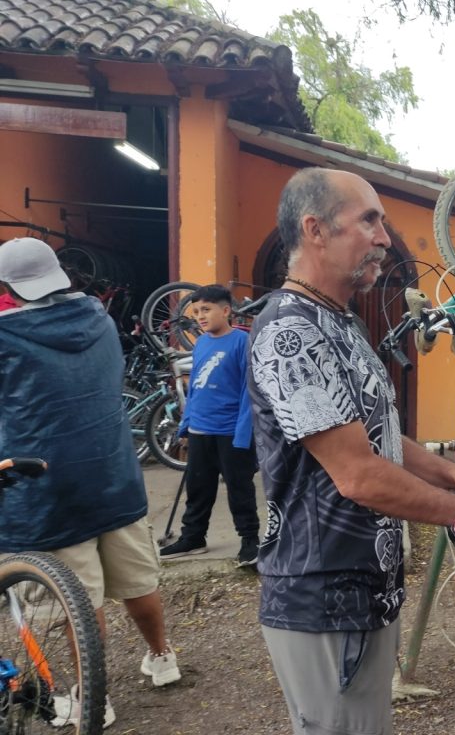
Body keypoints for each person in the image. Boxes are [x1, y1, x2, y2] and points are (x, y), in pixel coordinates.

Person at [247, 168, 455, 735]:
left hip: (362, 590)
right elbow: (358, 474)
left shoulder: (338, 321)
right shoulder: (291, 332)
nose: (385, 237)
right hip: (323, 598)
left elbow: (379, 435)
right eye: (369, 220)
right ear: (315, 229)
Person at [0, 237, 181, 729]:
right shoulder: (98, 320)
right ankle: (162, 658)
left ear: (9, 288)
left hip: (47, 489)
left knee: (77, 600)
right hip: (114, 474)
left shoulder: (6, 336)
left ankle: (92, 698)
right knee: (136, 580)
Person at [158, 284, 261, 566]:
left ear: (226, 310)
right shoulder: (202, 343)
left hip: (230, 430)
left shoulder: (242, 343)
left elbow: (248, 391)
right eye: (196, 311)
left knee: (240, 488)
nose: (200, 317)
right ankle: (193, 537)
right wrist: (186, 425)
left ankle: (250, 540)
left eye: (206, 310)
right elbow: (196, 389)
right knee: (198, 487)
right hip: (201, 429)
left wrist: (243, 433)